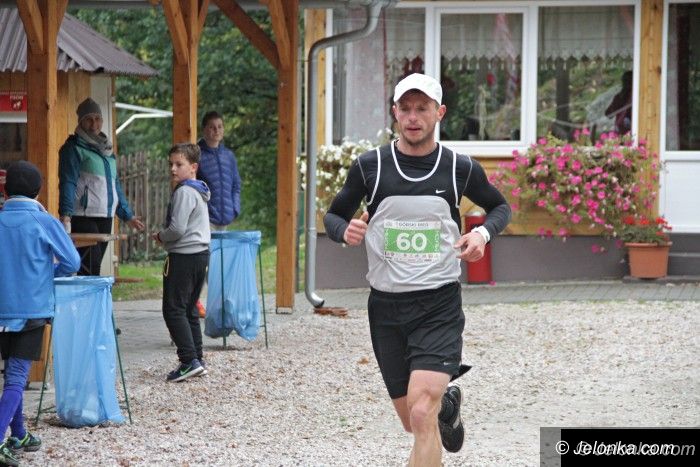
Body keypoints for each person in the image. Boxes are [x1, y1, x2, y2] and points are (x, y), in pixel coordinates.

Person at [324, 73, 511, 464]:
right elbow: (334, 216)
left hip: (438, 305)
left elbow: (499, 207)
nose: (413, 117)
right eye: (405, 108)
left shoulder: (459, 168)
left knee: (421, 411)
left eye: (422, 108)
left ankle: (436, 407)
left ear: (439, 113)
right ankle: (447, 406)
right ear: (395, 112)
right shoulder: (371, 167)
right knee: (413, 420)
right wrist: (345, 230)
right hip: (386, 308)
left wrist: (481, 235)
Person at [0, 161, 80, 466]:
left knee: (11, 374)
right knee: (17, 377)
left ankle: (19, 433)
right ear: (38, 192)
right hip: (31, 310)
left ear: (5, 192)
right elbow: (72, 262)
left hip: (2, 310)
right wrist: (47, 274)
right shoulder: (44, 221)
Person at [58, 97, 145, 276]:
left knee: (91, 266)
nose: (94, 124)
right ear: (80, 121)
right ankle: (88, 295)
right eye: (88, 119)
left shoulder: (107, 152)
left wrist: (127, 215)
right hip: (83, 215)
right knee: (91, 265)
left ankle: (87, 295)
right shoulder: (73, 148)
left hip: (105, 216)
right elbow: (68, 182)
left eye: (97, 119)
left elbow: (115, 186)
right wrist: (65, 215)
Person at [153, 143, 211, 382]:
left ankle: (188, 361)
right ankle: (197, 358)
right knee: (189, 309)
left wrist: (160, 236)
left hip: (184, 256)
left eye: (179, 164)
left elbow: (177, 229)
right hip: (201, 255)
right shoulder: (200, 191)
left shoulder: (185, 192)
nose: (173, 169)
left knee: (173, 309)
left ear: (193, 167)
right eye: (171, 164)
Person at [197, 111, 241, 231]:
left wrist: (235, 208)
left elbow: (236, 185)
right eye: (212, 127)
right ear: (204, 130)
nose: (217, 130)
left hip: (226, 218)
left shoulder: (229, 156)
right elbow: (192, 186)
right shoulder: (196, 155)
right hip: (205, 218)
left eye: (220, 126)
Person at [605, 70, 633, 135]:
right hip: (621, 130)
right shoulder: (619, 97)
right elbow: (608, 114)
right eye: (626, 81)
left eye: (629, 81)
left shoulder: (636, 96)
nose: (627, 84)